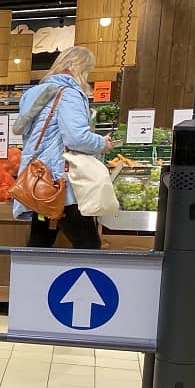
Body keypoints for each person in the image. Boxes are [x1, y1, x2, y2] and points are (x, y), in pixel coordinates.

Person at [12, 46, 114, 249]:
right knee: (89, 247)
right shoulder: (69, 94)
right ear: (81, 69)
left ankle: (30, 281)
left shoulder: (33, 93)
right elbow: (76, 137)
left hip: (38, 182)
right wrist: (102, 143)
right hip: (61, 182)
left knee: (40, 243)